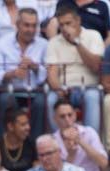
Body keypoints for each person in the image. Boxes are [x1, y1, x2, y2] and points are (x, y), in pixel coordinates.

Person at [45, 3, 105, 135]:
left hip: (89, 87)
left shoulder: (93, 36)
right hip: (64, 89)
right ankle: (59, 140)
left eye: (68, 23)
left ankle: (92, 139)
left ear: (78, 21)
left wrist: (76, 42)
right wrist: (59, 89)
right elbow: (52, 74)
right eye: (62, 25)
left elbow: (96, 66)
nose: (65, 28)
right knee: (50, 98)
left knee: (92, 96)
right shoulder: (54, 42)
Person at [0, 7, 47, 139]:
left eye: (34, 26)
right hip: (10, 91)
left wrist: (35, 67)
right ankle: (5, 144)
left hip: (35, 91)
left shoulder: (44, 44)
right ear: (17, 25)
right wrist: (12, 74)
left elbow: (47, 75)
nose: (31, 30)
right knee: (5, 100)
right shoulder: (3, 44)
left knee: (41, 102)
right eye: (27, 25)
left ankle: (34, 147)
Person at [0, 107, 37, 171]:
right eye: (23, 125)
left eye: (28, 124)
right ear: (10, 126)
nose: (28, 127)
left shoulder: (32, 144)